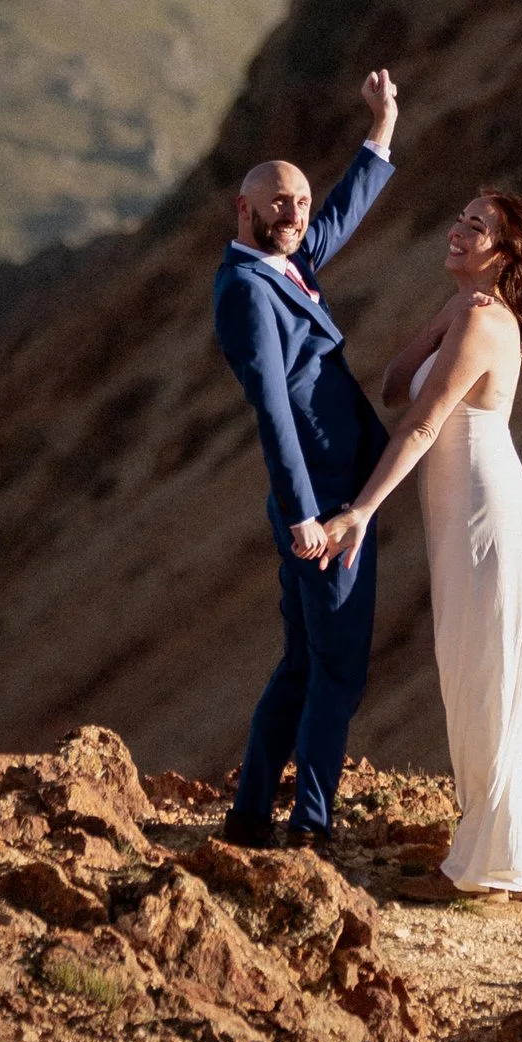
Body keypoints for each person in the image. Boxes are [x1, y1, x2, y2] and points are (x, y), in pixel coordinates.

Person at [305, 188, 522, 895]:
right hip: (463, 524)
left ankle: (491, 870)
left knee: (487, 678)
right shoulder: (470, 313)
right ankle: (496, 856)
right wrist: (448, 311)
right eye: (459, 217)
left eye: (475, 227)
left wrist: (361, 511)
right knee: (469, 674)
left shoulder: (488, 324)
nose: (457, 230)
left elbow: (421, 426)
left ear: (505, 252)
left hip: (491, 521)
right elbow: (395, 384)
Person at [212, 68, 401, 852]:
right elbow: (275, 411)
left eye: (299, 200)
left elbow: (334, 224)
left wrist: (382, 128)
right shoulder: (247, 291)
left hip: (330, 496)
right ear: (244, 210)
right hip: (322, 505)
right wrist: (305, 519)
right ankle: (310, 826)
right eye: (277, 203)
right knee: (339, 673)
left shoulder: (282, 263)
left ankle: (252, 813)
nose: (295, 214)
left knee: (302, 665)